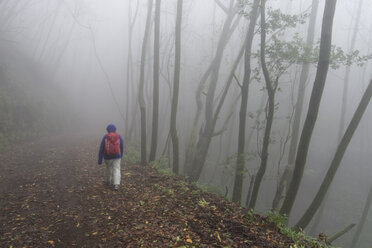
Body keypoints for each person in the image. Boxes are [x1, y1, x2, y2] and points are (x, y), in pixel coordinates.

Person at [98, 124, 124, 190]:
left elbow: (101, 148)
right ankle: (116, 184)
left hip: (107, 156)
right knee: (117, 169)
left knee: (108, 168)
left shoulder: (105, 137)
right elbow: (121, 146)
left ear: (107, 130)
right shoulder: (119, 136)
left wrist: (100, 159)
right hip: (117, 156)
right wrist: (121, 154)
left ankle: (108, 181)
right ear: (115, 129)